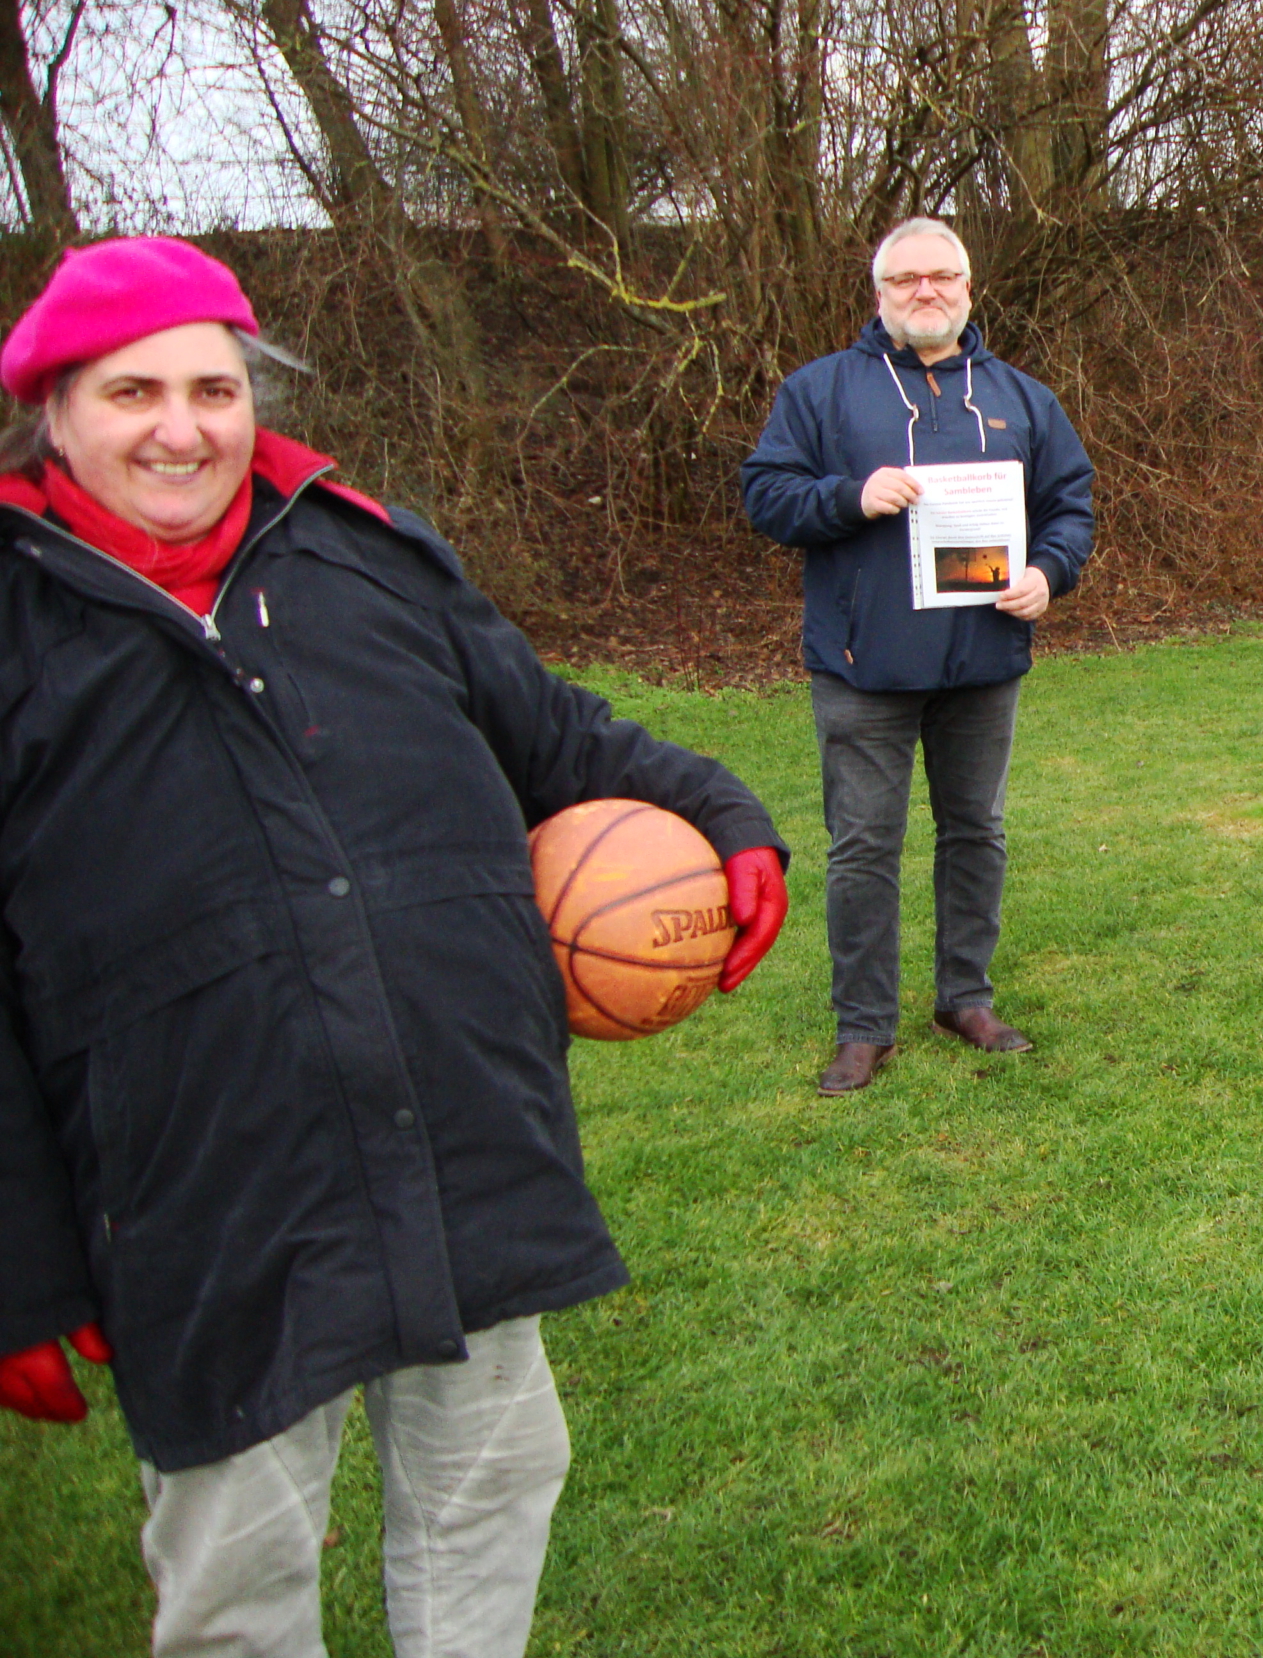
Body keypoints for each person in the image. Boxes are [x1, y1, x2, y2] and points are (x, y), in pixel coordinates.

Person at [0, 237, 790, 1654]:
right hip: (207, 1196)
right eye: (132, 393)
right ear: (51, 411)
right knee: (234, 1569)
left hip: (461, 1139)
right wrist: (18, 1261)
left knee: (491, 1492)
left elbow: (551, 732)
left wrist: (719, 814)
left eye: (212, 386)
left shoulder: (361, 554)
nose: (181, 428)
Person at [743, 217, 1094, 1093]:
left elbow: (1070, 507)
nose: (926, 292)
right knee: (864, 845)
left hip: (983, 661)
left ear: (969, 290)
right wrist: (848, 496)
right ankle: (863, 1026)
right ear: (880, 295)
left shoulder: (1021, 397)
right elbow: (766, 494)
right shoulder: (820, 393)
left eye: (943, 277)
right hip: (863, 665)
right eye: (906, 280)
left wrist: (1050, 576)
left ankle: (963, 997)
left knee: (978, 832)